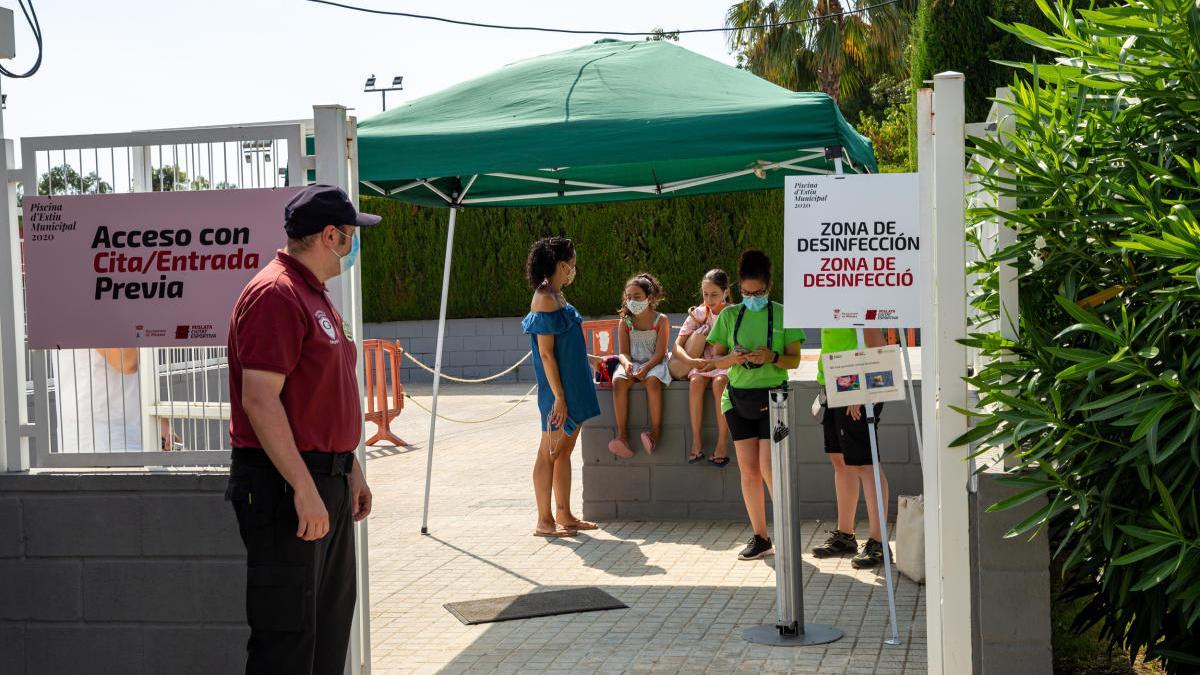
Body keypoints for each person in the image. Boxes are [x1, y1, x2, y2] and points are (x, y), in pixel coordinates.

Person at [224, 184, 377, 675]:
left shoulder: (313, 295)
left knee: (327, 635)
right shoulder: (276, 293)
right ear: (329, 235)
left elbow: (316, 399)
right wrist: (304, 487)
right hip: (285, 485)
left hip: (321, 479)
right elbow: (260, 400)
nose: (354, 246)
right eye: (351, 236)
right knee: (287, 643)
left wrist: (348, 467)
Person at [707, 250, 805, 560]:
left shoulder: (784, 314)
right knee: (748, 471)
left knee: (768, 467)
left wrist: (772, 357)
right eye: (747, 293)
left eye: (758, 292)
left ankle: (787, 532)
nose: (752, 298)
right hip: (737, 399)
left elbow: (794, 359)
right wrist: (734, 358)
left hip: (773, 399)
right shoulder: (728, 315)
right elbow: (715, 358)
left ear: (769, 286)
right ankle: (761, 537)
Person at [522, 237, 602, 538]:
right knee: (549, 452)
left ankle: (564, 514)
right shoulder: (544, 297)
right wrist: (558, 397)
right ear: (561, 265)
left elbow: (566, 343)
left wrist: (591, 359)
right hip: (558, 391)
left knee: (564, 451)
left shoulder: (558, 295)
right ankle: (545, 520)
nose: (574, 269)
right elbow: (545, 353)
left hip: (574, 384)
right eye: (572, 264)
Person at [811, 327, 894, 569]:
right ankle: (845, 535)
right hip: (833, 386)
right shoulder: (831, 303)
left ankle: (878, 542)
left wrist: (864, 392)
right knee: (841, 461)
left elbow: (880, 350)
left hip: (856, 390)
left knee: (865, 464)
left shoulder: (859, 301)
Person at [55, 348, 176, 453]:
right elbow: (127, 361)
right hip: (100, 443)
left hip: (130, 438)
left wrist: (159, 421)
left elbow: (138, 369)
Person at [668, 269, 732, 466]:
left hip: (725, 362)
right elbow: (676, 346)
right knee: (695, 381)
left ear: (726, 292)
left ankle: (722, 442)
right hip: (701, 363)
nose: (709, 299)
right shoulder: (698, 313)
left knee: (720, 383)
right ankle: (696, 440)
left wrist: (718, 360)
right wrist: (691, 361)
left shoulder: (734, 313)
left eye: (714, 294)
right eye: (705, 294)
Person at [608, 273, 671, 458]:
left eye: (636, 297)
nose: (631, 301)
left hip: (655, 362)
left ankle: (655, 433)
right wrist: (627, 364)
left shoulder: (662, 320)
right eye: (628, 297)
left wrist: (646, 368)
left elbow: (660, 353)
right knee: (618, 382)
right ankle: (622, 436)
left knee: (652, 382)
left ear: (649, 298)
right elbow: (623, 352)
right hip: (633, 362)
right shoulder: (625, 321)